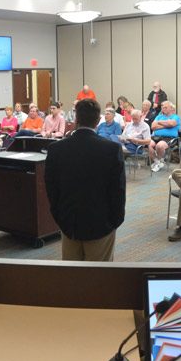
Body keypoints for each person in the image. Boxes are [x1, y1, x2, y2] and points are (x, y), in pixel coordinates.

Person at [45, 99, 125, 261]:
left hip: (69, 223)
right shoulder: (111, 150)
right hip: (102, 224)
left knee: (72, 278)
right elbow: (118, 190)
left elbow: (51, 189)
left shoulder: (56, 149)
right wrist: (114, 222)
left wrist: (60, 218)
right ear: (97, 121)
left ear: (76, 119)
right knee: (99, 279)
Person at [149, 101, 181, 172]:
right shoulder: (159, 116)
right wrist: (166, 125)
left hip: (169, 138)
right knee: (148, 144)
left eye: (165, 108)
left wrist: (159, 122)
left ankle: (159, 161)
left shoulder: (176, 117)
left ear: (171, 108)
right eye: (163, 108)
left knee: (159, 146)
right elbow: (153, 126)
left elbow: (172, 124)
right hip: (156, 137)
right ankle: (158, 162)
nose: (163, 109)